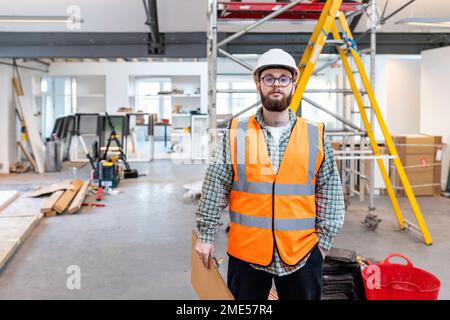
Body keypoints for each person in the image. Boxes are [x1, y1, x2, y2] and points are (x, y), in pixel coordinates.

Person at [194, 48, 345, 300]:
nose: (276, 84)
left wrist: (323, 244)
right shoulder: (237, 133)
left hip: (302, 253)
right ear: (258, 84)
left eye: (283, 78)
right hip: (246, 254)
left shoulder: (314, 134)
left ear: (293, 84)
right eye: (269, 78)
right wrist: (206, 235)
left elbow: (330, 191)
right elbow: (214, 185)